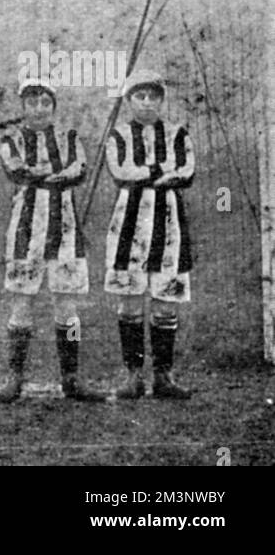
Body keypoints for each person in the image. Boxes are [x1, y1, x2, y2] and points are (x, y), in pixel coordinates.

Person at [0, 79, 104, 403]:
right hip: (26, 228)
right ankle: (14, 378)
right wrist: (56, 173)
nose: (39, 108)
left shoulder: (69, 137)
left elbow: (79, 168)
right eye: (32, 102)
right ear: (23, 106)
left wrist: (57, 173)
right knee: (21, 301)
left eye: (45, 102)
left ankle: (71, 377)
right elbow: (16, 170)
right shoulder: (11, 139)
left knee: (67, 302)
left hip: (64, 226)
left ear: (53, 105)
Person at [103, 70, 194, 400]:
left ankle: (163, 376)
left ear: (161, 100)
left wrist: (152, 175)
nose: (146, 103)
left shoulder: (177, 134)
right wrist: (159, 172)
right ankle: (133, 376)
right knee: (129, 301)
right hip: (129, 221)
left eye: (153, 96)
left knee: (166, 301)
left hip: (169, 221)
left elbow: (186, 171)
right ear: (128, 101)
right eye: (139, 96)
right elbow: (121, 171)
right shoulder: (119, 135)